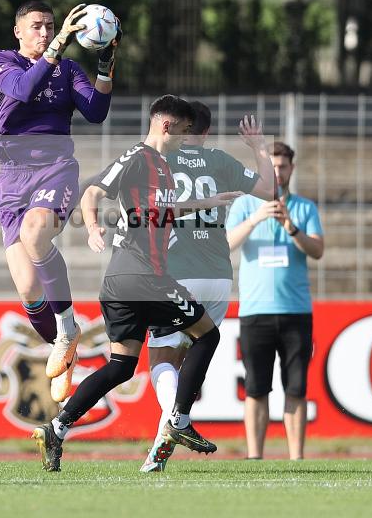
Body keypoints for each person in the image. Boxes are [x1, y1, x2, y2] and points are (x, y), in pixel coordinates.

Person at [32, 95, 237, 472]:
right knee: (208, 335)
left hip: (121, 284)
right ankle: (178, 420)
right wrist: (93, 227)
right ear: (166, 126)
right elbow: (93, 191)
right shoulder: (138, 157)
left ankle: (56, 429)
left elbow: (163, 211)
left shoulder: (161, 168)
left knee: (122, 366)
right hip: (144, 276)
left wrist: (206, 201)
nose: (184, 141)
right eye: (183, 132)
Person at [0, 0, 120, 403]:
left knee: (36, 231)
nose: (45, 33)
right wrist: (58, 45)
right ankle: (67, 338)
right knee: (27, 288)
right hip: (11, 179)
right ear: (18, 32)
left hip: (55, 168)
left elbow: (96, 112)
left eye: (51, 26)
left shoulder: (67, 69)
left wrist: (106, 67)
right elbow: (23, 90)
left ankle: (66, 329)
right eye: (37, 27)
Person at [139, 101, 275, 472]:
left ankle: (174, 420)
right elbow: (268, 188)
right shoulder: (220, 161)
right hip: (218, 275)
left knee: (161, 357)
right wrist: (259, 148)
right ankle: (158, 451)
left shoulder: (159, 157)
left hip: (177, 271)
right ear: (207, 132)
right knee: (187, 363)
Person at [227, 142, 324, 460]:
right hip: (255, 311)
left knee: (296, 388)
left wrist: (290, 226)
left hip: (296, 312)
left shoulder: (305, 208)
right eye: (272, 166)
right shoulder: (243, 206)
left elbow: (317, 250)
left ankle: (296, 457)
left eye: (283, 166)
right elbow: (225, 244)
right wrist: (256, 218)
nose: (277, 172)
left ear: (292, 169)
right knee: (256, 388)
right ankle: (255, 456)